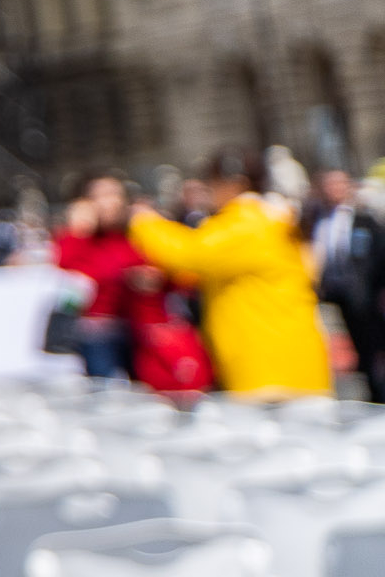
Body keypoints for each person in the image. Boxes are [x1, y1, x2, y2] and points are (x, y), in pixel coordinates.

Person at [130, 146, 331, 397]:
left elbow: (190, 255)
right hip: (285, 357)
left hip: (269, 365)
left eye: (211, 183)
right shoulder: (268, 216)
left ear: (234, 183)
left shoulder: (247, 222)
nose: (208, 191)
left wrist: (144, 222)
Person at [53, 170, 168, 382]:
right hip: (96, 335)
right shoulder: (80, 237)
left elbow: (164, 271)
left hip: (137, 332)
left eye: (115, 194)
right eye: (101, 196)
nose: (110, 202)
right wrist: (79, 227)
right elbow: (69, 267)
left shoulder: (134, 235)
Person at [308, 167, 385, 397]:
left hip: (365, 296)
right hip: (333, 295)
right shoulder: (316, 219)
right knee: (355, 349)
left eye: (339, 184)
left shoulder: (365, 220)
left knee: (374, 347)